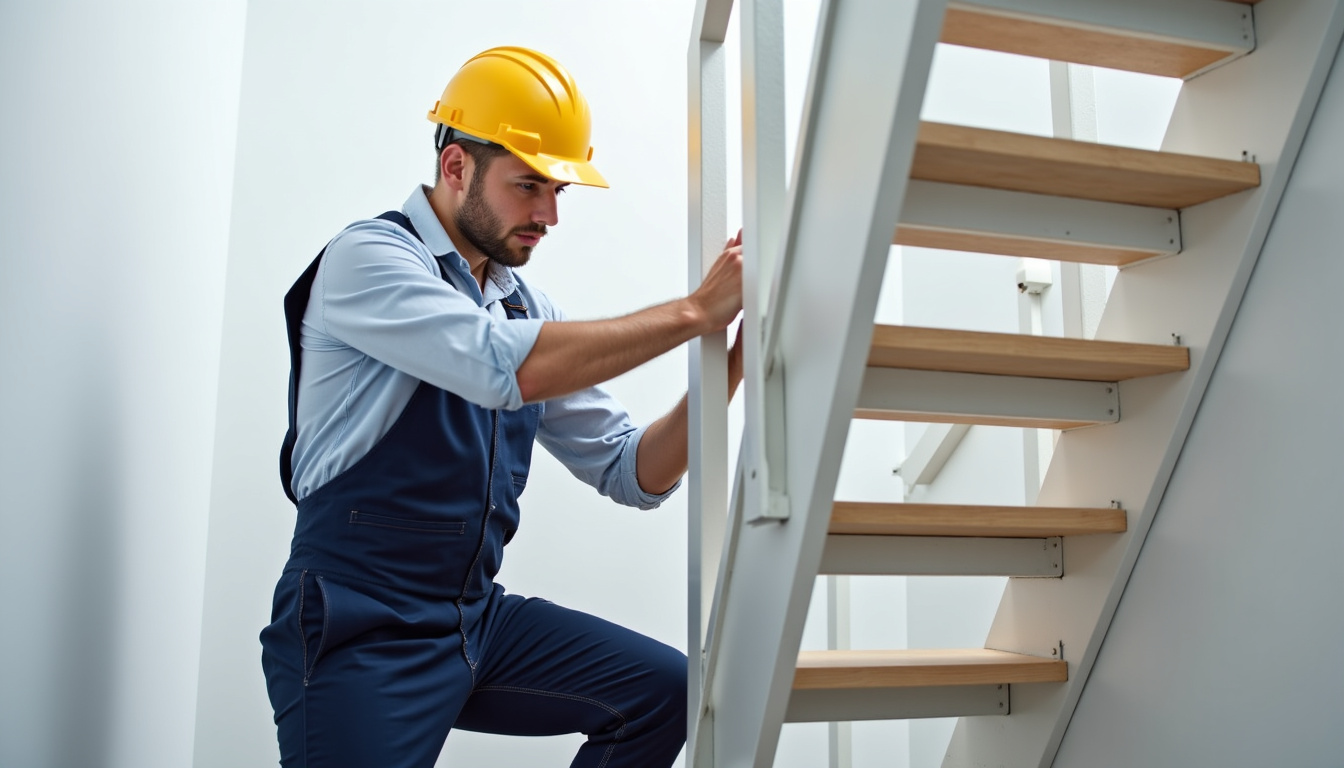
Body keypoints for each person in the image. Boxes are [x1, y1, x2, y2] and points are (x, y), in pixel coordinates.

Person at [259, 45, 744, 768]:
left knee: (663, 691)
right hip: (359, 622)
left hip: (472, 619)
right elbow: (493, 364)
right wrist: (694, 313)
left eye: (558, 192)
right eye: (529, 186)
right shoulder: (367, 261)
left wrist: (737, 355)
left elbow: (631, 469)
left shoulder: (523, 304)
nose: (549, 213)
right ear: (456, 167)